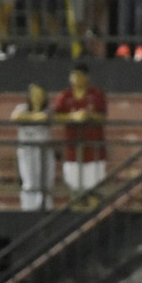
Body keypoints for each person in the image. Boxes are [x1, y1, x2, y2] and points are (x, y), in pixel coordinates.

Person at [53, 63, 107, 197]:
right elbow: (57, 116)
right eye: (74, 76)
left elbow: (102, 116)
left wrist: (88, 115)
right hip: (73, 150)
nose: (77, 79)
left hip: (94, 151)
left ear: (86, 77)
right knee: (75, 192)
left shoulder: (96, 94)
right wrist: (73, 116)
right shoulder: (64, 96)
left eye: (80, 76)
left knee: (94, 192)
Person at [11, 83, 55, 211]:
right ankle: (28, 209)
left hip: (44, 150)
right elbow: (15, 116)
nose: (37, 97)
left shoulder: (48, 109)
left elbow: (44, 117)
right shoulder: (22, 107)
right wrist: (33, 117)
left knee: (45, 181)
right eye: (34, 94)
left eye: (39, 94)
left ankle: (45, 208)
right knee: (29, 182)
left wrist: (29, 118)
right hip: (26, 150)